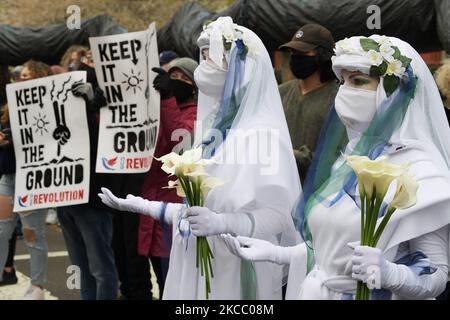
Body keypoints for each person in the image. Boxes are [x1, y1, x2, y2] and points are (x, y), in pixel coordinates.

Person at [222, 35, 450, 300]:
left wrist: (389, 273)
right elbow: (331, 254)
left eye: (359, 81)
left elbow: (436, 274)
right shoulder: (350, 160)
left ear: (393, 91)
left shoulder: (423, 171)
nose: (346, 90)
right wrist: (276, 253)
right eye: (343, 81)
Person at [99, 16, 301, 300]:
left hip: (236, 271)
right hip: (195, 263)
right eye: (202, 55)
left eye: (212, 55)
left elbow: (279, 218)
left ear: (242, 68)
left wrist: (224, 224)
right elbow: (198, 210)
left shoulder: (262, 134)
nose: (204, 63)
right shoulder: (211, 130)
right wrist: (144, 207)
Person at [137, 57, 198, 299]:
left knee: (173, 283)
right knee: (161, 280)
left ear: (194, 88)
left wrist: (167, 99)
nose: (177, 82)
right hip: (151, 208)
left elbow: (178, 141)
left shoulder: (197, 113)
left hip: (173, 211)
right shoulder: (155, 107)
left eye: (185, 79)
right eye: (173, 76)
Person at [0, 60, 53, 299]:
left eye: (28, 76)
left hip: (34, 179)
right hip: (10, 176)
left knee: (32, 233)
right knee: (1, 230)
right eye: (21, 75)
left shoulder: (51, 106)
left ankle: (38, 286)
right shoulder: (11, 105)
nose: (22, 79)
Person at [278, 24, 339, 183]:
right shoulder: (280, 92)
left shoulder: (340, 98)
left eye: (302, 52)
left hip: (316, 192)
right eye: (293, 52)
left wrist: (295, 156)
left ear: (322, 55)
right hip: (280, 186)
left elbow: (337, 155)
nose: (295, 56)